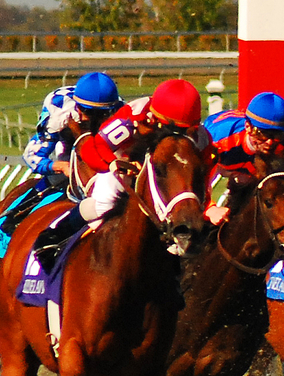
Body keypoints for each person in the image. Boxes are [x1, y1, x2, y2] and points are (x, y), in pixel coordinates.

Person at [32, 78, 203, 269]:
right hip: (121, 152)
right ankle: (56, 234)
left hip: (158, 160)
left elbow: (207, 166)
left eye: (183, 130)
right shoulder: (131, 117)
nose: (177, 135)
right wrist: (113, 164)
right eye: (172, 128)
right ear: (154, 118)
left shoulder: (200, 135)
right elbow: (97, 147)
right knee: (105, 201)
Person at [0, 72, 122, 249]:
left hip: (102, 151)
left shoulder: (120, 113)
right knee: (57, 178)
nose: (93, 119)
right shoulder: (60, 108)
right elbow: (31, 156)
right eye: (88, 112)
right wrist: (59, 166)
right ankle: (9, 226)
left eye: (101, 114)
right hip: (68, 148)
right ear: (78, 106)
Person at [201, 91, 284, 225]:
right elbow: (195, 180)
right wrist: (209, 208)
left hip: (247, 166)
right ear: (248, 127)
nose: (270, 142)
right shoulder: (220, 139)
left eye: (277, 135)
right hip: (219, 157)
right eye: (262, 134)